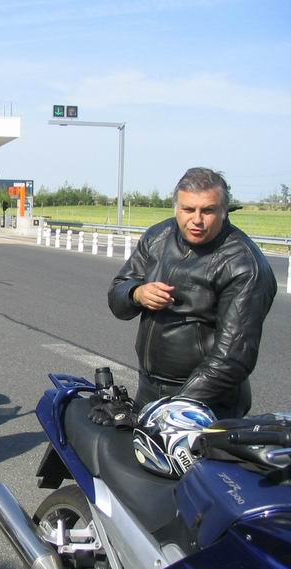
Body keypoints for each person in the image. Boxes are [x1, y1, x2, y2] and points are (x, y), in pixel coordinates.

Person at [108, 167, 276, 419]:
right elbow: (117, 296)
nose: (197, 219)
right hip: (149, 388)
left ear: (224, 211)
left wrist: (176, 408)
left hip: (208, 401)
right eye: (188, 209)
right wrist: (136, 294)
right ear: (176, 208)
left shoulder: (243, 264)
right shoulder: (158, 237)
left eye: (207, 210)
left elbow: (233, 357)